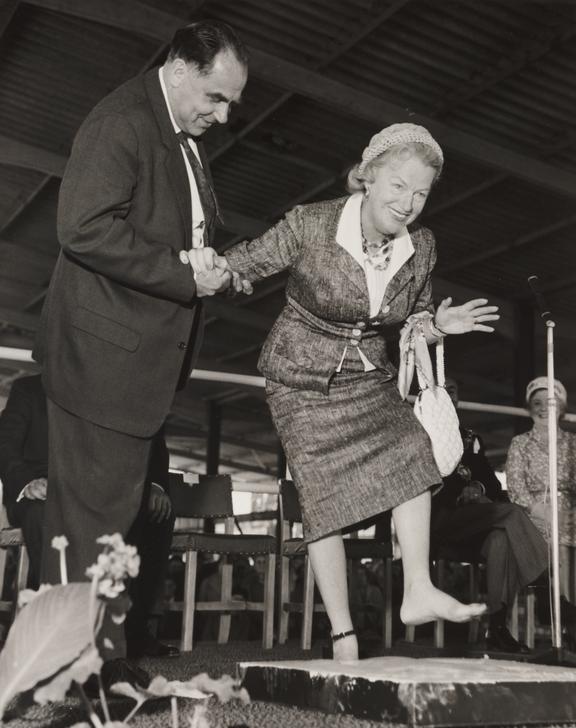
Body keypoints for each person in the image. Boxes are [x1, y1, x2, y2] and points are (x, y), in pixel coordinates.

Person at [223, 122, 500, 661]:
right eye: (398, 185)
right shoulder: (313, 223)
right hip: (299, 374)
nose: (408, 203)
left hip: (367, 371)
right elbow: (247, 263)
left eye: (420, 193)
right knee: (322, 498)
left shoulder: (422, 247)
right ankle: (344, 637)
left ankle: (417, 590)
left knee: (412, 450)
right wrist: (203, 268)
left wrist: (437, 326)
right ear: (368, 178)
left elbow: (412, 319)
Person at [32, 20, 248, 679]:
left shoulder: (179, 135)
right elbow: (83, 228)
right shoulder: (123, 121)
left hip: (131, 367)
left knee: (110, 522)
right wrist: (185, 273)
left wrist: (216, 264)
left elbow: (181, 230)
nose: (225, 113)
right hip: (101, 359)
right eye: (216, 96)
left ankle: (88, 662)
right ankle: (67, 673)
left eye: (232, 102)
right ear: (179, 68)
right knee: (92, 518)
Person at [0, 374, 178, 658]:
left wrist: (155, 485)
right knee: (44, 514)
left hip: (100, 492)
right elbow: (5, 444)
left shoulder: (118, 386)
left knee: (157, 514)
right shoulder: (28, 389)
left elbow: (152, 442)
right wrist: (25, 483)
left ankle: (132, 629)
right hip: (39, 489)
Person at [431, 378, 549, 653]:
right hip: (441, 521)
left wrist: (479, 486)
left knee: (500, 540)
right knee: (510, 513)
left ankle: (497, 627)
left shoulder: (470, 438)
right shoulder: (422, 434)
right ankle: (545, 587)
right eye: (442, 389)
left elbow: (493, 485)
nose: (449, 394)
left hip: (475, 525)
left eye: (453, 390)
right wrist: (460, 491)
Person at [506, 377, 576, 547]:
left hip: (571, 517)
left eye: (551, 402)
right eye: (537, 403)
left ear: (562, 407)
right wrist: (548, 515)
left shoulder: (573, 443)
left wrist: (571, 515)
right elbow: (517, 489)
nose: (544, 408)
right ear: (529, 409)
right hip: (534, 518)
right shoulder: (520, 443)